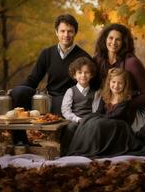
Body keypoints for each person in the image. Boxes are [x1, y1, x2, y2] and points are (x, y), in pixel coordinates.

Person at [10, 14, 91, 145]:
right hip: (48, 97)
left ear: (75, 33)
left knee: (59, 105)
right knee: (19, 92)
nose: (66, 35)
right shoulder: (47, 53)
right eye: (62, 31)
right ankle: (20, 141)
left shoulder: (82, 57)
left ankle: (60, 144)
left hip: (68, 98)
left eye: (70, 31)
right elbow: (33, 79)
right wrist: (15, 90)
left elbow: (89, 83)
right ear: (56, 32)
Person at [67, 68, 145, 158]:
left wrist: (100, 118)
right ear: (109, 83)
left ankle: (95, 149)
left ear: (125, 85)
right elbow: (99, 111)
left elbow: (117, 114)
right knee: (87, 119)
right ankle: (84, 148)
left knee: (98, 123)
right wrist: (92, 118)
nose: (116, 85)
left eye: (120, 83)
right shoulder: (105, 96)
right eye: (113, 82)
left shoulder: (125, 98)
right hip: (107, 121)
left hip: (119, 125)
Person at [93, 23, 145, 126]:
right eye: (110, 38)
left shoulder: (132, 63)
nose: (113, 42)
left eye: (118, 39)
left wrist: (122, 106)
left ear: (124, 42)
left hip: (127, 113)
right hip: (102, 110)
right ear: (105, 39)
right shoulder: (97, 60)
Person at [60, 57, 98, 156]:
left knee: (95, 128)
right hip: (75, 120)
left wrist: (89, 120)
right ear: (74, 75)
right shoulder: (71, 91)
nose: (83, 75)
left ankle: (89, 152)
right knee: (70, 127)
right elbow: (65, 111)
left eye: (86, 72)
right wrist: (77, 119)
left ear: (92, 75)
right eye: (80, 72)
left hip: (90, 120)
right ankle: (66, 152)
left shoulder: (96, 93)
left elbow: (96, 110)